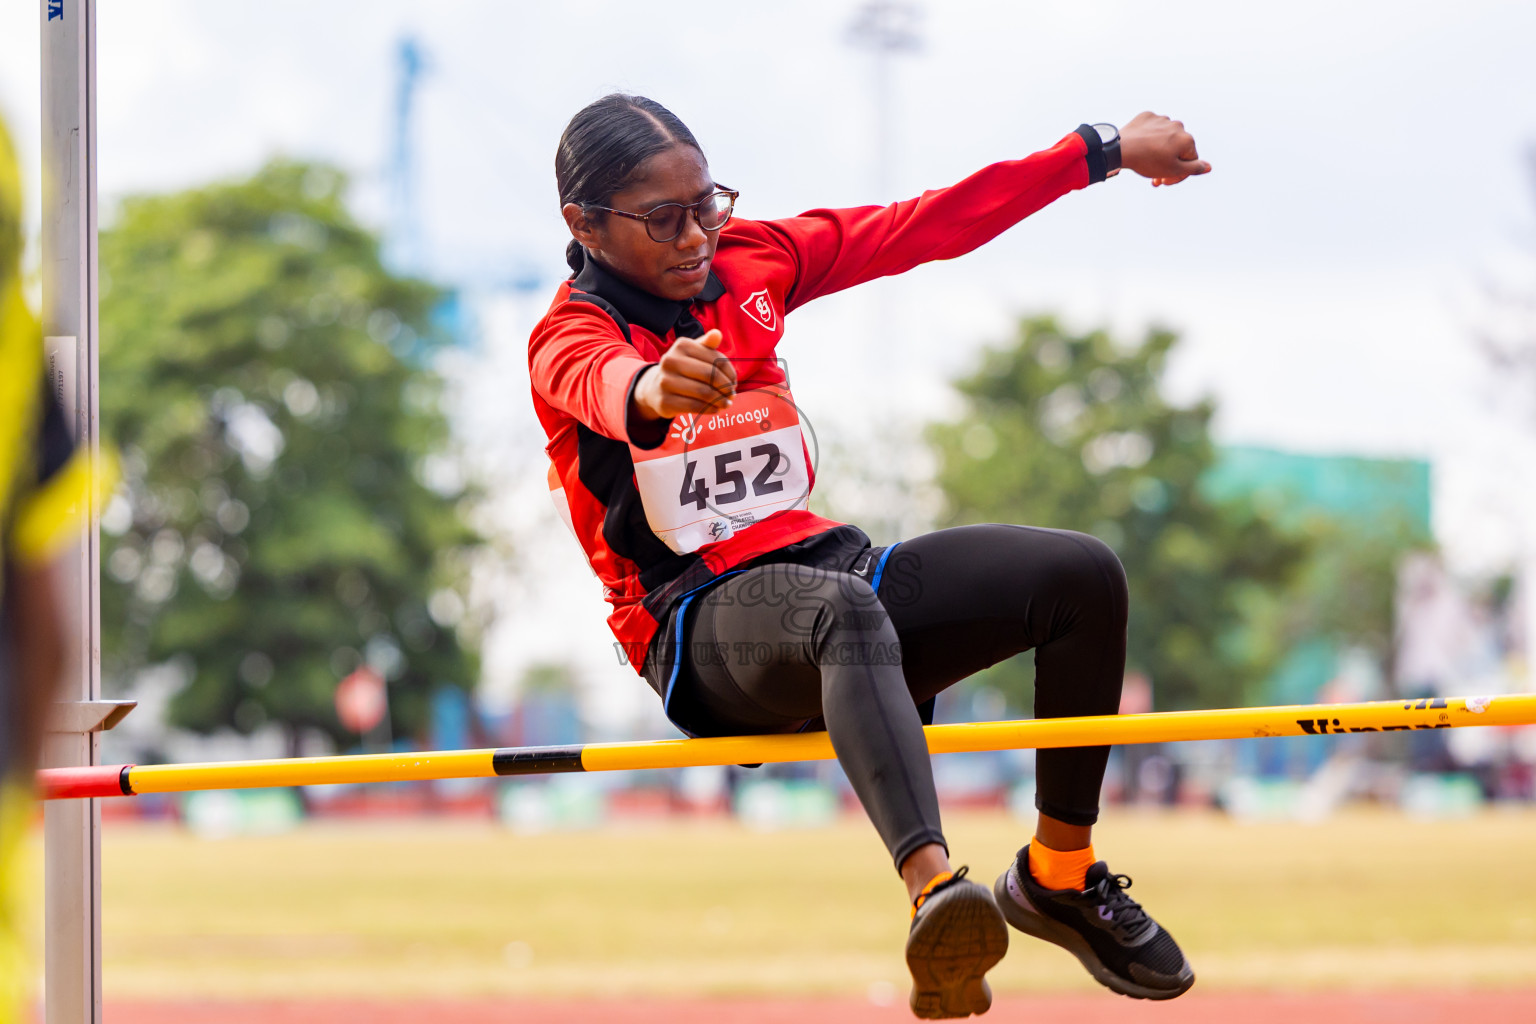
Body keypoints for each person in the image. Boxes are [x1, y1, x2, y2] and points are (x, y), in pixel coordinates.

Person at [529, 94, 1210, 1019]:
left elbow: (924, 225)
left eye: (707, 205)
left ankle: (1058, 872)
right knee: (837, 613)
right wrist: (654, 386)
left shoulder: (751, 259)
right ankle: (939, 897)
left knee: (1080, 577)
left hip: (833, 570)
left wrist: (1099, 151)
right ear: (585, 225)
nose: (695, 237)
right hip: (701, 631)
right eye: (663, 220)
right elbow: (604, 384)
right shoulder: (570, 335)